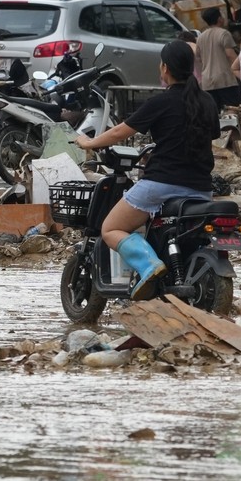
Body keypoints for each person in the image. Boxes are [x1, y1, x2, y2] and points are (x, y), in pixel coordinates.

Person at [75, 41, 218, 299]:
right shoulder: (207, 102)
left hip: (162, 184)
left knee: (111, 228)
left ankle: (148, 265)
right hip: (202, 189)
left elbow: (120, 131)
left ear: (165, 68)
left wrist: (89, 142)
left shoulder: (161, 102)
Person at [197, 6, 241, 109]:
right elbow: (230, 55)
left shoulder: (201, 37)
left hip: (207, 82)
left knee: (213, 112)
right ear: (219, 19)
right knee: (231, 111)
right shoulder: (224, 34)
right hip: (225, 81)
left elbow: (198, 58)